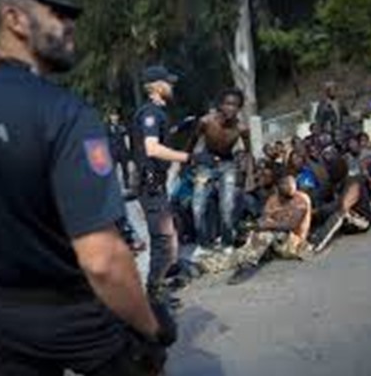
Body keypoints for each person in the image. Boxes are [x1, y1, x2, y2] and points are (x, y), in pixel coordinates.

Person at [0, 0, 176, 374]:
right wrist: (151, 326)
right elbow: (103, 260)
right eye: (58, 14)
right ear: (15, 20)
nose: (71, 24)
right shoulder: (64, 113)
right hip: (76, 316)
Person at [132, 65, 193, 304]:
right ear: (157, 87)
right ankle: (154, 296)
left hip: (154, 184)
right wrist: (189, 157)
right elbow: (152, 148)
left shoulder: (155, 113)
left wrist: (178, 128)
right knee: (162, 239)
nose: (171, 86)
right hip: (150, 186)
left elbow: (151, 139)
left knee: (167, 236)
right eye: (168, 83)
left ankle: (160, 287)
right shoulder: (150, 113)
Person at [186, 88, 252, 255]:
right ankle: (203, 244)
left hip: (228, 165)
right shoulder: (206, 121)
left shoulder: (241, 128)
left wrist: (247, 170)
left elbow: (248, 151)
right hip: (205, 165)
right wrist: (186, 162)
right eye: (228, 104)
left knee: (227, 206)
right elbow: (192, 141)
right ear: (221, 105)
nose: (231, 108)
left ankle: (227, 242)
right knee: (197, 206)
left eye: (236, 105)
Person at [227, 175, 311, 285]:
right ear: (278, 187)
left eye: (293, 184)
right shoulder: (273, 200)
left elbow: (291, 225)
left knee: (265, 235)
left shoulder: (301, 199)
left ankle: (246, 268)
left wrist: (268, 225)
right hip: (275, 242)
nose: (291, 187)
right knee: (242, 251)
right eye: (286, 184)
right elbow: (264, 219)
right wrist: (255, 228)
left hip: (295, 243)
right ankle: (203, 266)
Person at [310, 158, 371, 254]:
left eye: (331, 169)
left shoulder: (353, 182)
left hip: (361, 220)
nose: (329, 172)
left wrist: (318, 211)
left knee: (341, 213)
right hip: (345, 224)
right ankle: (305, 237)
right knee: (316, 212)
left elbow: (343, 205)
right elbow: (319, 195)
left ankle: (316, 245)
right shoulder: (332, 183)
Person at [107, 109, 132, 189]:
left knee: (125, 168)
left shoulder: (122, 126)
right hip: (113, 150)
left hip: (122, 149)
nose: (114, 117)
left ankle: (126, 184)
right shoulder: (107, 126)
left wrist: (128, 148)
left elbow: (126, 137)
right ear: (110, 117)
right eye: (112, 115)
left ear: (118, 116)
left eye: (115, 115)